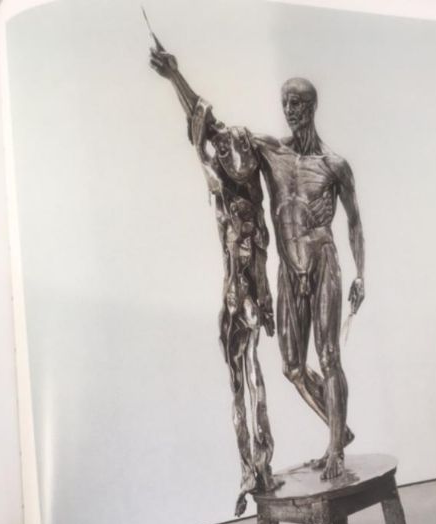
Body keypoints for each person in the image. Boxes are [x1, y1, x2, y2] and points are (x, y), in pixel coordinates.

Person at [150, 49, 365, 481]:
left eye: (297, 103)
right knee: (292, 367)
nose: (290, 110)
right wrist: (175, 76)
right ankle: (339, 430)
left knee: (329, 356)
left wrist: (361, 274)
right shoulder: (270, 151)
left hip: (323, 261)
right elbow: (213, 128)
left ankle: (335, 449)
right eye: (285, 102)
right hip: (288, 269)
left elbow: (355, 221)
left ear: (312, 107)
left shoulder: (334, 165)